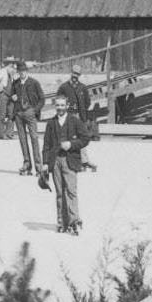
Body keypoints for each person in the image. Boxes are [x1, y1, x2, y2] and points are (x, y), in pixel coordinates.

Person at [42, 92, 88, 235]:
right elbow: (46, 145)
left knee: (71, 191)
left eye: (62, 105)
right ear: (54, 106)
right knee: (60, 193)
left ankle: (74, 221)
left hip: (70, 160)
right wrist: (44, 163)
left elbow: (85, 138)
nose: (60, 108)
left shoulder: (75, 121)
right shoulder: (51, 123)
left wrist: (72, 144)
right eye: (58, 105)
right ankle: (62, 222)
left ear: (67, 106)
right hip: (55, 161)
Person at [9, 60, 45, 175]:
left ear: (26, 71)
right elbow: (11, 96)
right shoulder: (15, 83)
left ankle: (38, 167)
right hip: (19, 114)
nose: (22, 73)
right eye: (20, 71)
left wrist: (35, 110)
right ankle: (27, 164)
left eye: (23, 71)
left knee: (34, 138)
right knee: (22, 139)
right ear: (18, 72)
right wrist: (12, 98)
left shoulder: (34, 83)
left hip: (30, 112)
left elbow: (42, 99)